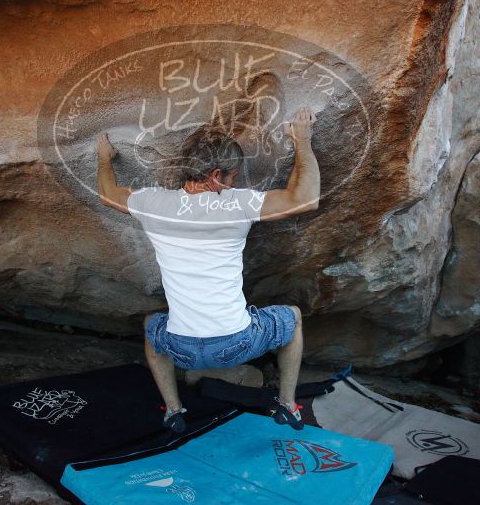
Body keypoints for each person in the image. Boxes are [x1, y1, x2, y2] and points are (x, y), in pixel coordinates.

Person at [95, 107, 320, 433]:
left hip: (181, 349)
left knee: (151, 325)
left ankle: (173, 410)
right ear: (216, 175)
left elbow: (107, 195)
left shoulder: (151, 203)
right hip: (239, 343)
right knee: (293, 317)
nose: (234, 183)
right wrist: (303, 140)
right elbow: (306, 199)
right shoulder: (238, 204)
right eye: (233, 176)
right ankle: (287, 404)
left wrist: (104, 158)